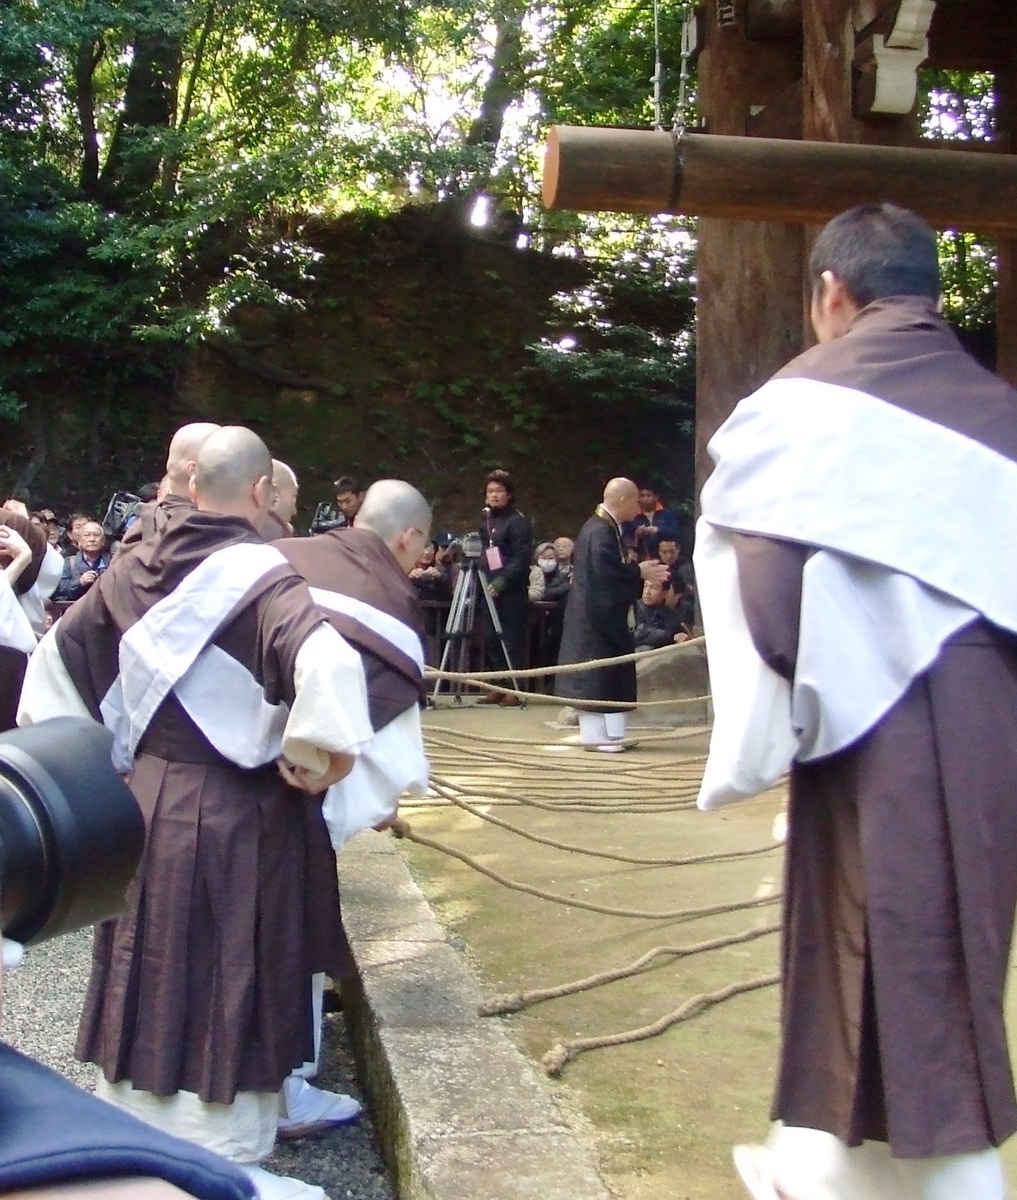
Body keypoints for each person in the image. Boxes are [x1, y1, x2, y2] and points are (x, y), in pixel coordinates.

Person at [694, 203, 1017, 1200]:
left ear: (832, 293)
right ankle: (838, 1163)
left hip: (862, 725)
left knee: (861, 935)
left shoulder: (797, 406)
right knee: (954, 942)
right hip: (989, 719)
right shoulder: (1003, 416)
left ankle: (923, 1178)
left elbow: (767, 589)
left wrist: (813, 691)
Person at [18, 426, 375, 1200]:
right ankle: (221, 1146)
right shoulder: (260, 575)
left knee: (149, 954)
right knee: (228, 957)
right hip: (236, 808)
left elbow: (58, 661)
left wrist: (92, 761)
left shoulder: (131, 560)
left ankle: (135, 1125)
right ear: (256, 492)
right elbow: (327, 663)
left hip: (141, 800)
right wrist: (317, 760)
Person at [274, 479, 431, 1136]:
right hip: (300, 787)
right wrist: (372, 796)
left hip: (205, 774)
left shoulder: (280, 554)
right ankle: (284, 1087)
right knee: (292, 929)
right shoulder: (391, 598)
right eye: (421, 549)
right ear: (407, 537)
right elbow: (388, 751)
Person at [555, 478, 667, 750]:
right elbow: (605, 575)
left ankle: (613, 733)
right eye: (635, 502)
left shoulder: (607, 529)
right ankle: (594, 736)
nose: (638, 508)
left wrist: (636, 571)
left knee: (611, 673)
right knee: (595, 676)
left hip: (606, 614)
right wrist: (638, 572)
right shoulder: (599, 531)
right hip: (594, 617)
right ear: (622, 501)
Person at [477, 469, 532, 706]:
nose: (494, 495)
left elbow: (521, 558)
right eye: (490, 491)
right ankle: (497, 685)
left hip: (512, 590)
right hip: (489, 587)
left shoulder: (517, 522)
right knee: (491, 638)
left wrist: (503, 581)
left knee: (510, 639)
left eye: (499, 491)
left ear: (509, 494)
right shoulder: (487, 521)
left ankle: (515, 688)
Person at [528, 541, 570, 681]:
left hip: (553, 624)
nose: (547, 561)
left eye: (551, 558)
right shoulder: (531, 573)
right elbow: (542, 593)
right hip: (533, 622)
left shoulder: (563, 576)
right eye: (544, 557)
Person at [53, 520, 110, 600]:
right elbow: (60, 588)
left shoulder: (112, 562)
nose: (92, 539)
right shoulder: (69, 562)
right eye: (87, 535)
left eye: (96, 535)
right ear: (79, 541)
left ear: (103, 541)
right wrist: (80, 582)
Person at [621, 483, 680, 558]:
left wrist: (657, 530)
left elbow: (675, 532)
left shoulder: (667, 514)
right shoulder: (632, 516)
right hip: (641, 558)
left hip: (666, 557)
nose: (645, 499)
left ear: (656, 497)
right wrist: (636, 534)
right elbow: (626, 537)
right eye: (642, 496)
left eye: (648, 495)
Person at [633, 578, 687, 650]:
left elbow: (680, 633)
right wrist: (670, 636)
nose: (647, 592)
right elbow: (638, 633)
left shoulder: (672, 615)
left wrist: (682, 637)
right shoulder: (633, 608)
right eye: (645, 586)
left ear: (664, 593)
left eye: (654, 588)